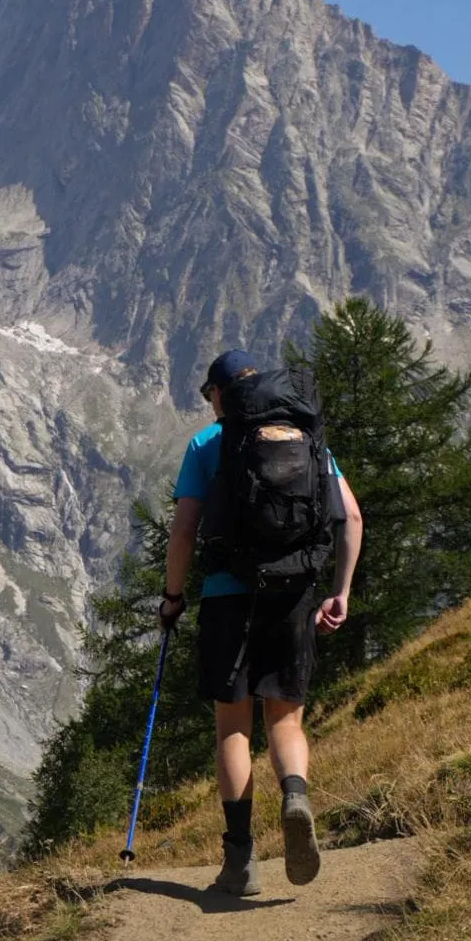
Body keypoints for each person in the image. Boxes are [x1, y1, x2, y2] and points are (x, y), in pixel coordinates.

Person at [158, 349, 363, 896]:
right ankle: (295, 794)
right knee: (286, 721)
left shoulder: (208, 444)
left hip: (228, 596)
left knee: (233, 728)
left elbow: (184, 531)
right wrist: (340, 592)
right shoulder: (306, 435)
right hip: (294, 594)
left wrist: (173, 598)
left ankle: (241, 862)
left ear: (219, 393)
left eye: (209, 394)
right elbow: (351, 516)